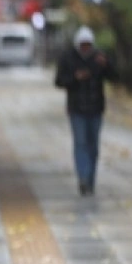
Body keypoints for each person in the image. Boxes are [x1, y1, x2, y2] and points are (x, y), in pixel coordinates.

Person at [54, 27, 119, 196]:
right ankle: (82, 178)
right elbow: (59, 81)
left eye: (88, 45)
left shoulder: (99, 58)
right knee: (80, 143)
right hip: (76, 108)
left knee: (93, 146)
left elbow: (115, 77)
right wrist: (75, 78)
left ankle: (90, 180)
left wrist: (107, 65)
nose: (85, 48)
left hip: (96, 108)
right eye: (82, 45)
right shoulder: (68, 58)